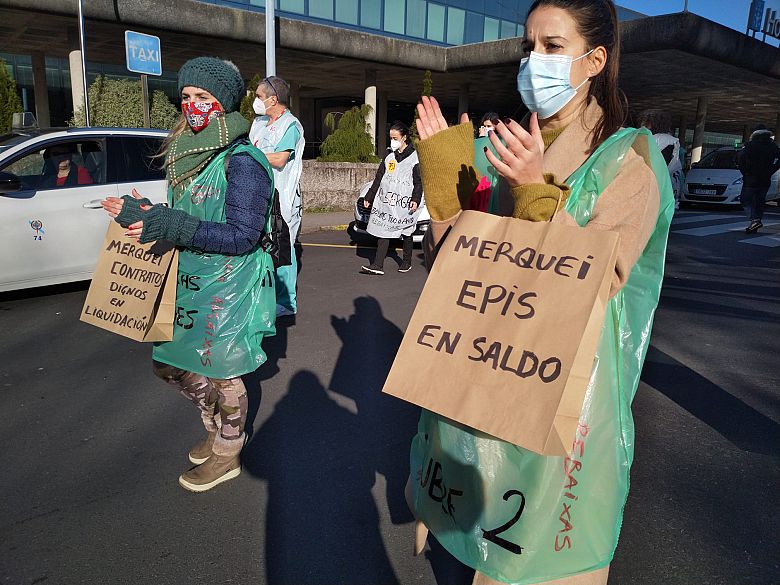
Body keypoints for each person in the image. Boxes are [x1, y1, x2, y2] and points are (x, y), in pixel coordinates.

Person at [406, 1, 674, 584]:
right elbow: (456, 276)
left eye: (553, 47)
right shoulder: (505, 146)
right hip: (479, 386)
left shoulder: (628, 161)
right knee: (468, 548)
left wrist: (534, 194)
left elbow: (596, 282)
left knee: (530, 558)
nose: (534, 61)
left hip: (556, 399)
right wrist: (445, 184)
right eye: (528, 47)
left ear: (594, 61)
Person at [101, 57, 276, 493]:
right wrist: (143, 214)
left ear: (224, 103)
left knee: (222, 372)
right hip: (189, 277)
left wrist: (170, 224)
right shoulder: (185, 152)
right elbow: (184, 213)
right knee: (169, 364)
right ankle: (217, 427)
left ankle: (227, 451)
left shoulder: (244, 161)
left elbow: (242, 235)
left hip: (228, 284)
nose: (192, 104)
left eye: (203, 96)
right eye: (186, 96)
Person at [249, 76, 305, 316]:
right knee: (260, 245)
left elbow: (281, 159)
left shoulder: (290, 125)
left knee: (283, 247)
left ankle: (287, 302)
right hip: (258, 193)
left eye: (259, 96)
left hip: (283, 197)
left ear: (273, 100)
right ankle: (262, 293)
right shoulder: (259, 123)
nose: (255, 101)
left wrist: (249, 155)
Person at [360, 121, 423, 275]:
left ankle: (406, 261)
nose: (392, 141)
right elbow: (379, 177)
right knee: (384, 229)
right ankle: (377, 265)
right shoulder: (389, 155)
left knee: (406, 231)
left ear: (404, 138)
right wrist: (370, 196)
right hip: (388, 201)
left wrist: (415, 199)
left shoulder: (415, 158)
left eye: (395, 138)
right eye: (391, 138)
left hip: (406, 202)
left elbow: (418, 182)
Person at [738, 123, 780, 233]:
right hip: (765, 179)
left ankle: (754, 220)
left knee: (745, 200)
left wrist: (745, 172)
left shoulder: (750, 145)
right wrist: (772, 169)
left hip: (751, 178)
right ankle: (754, 226)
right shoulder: (772, 146)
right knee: (759, 202)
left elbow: (741, 159)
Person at [638, 108, 683, 210]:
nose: (642, 126)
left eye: (645, 123)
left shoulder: (659, 140)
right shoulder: (670, 141)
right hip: (667, 184)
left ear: (652, 124)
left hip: (656, 185)